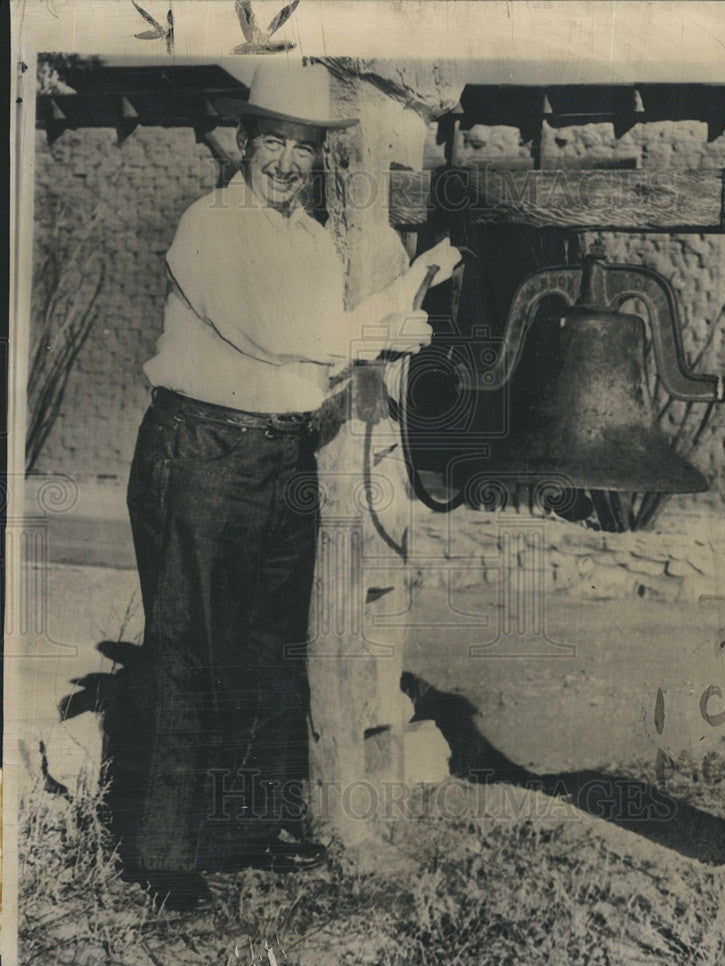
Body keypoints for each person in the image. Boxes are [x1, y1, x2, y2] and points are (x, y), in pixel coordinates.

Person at [115, 61, 460, 906]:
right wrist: (389, 316)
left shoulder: (308, 238)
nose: (287, 162)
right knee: (189, 650)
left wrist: (404, 297)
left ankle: (245, 833)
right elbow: (282, 338)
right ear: (243, 143)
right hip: (199, 452)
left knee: (268, 650)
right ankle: (166, 860)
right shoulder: (212, 225)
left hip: (279, 456)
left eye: (303, 149)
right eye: (273, 142)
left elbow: (320, 352)